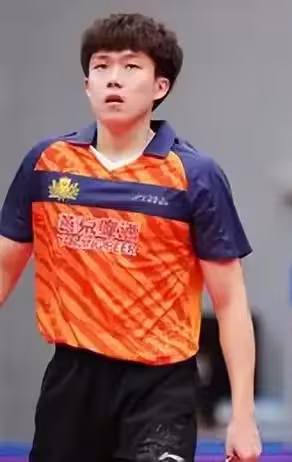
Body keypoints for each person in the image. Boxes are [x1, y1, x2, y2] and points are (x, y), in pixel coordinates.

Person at [0, 13, 262, 462]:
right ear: (87, 85)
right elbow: (4, 270)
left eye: (130, 66)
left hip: (160, 387)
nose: (113, 79)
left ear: (160, 86)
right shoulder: (46, 164)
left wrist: (243, 415)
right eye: (101, 67)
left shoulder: (195, 176)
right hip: (72, 381)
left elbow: (230, 301)